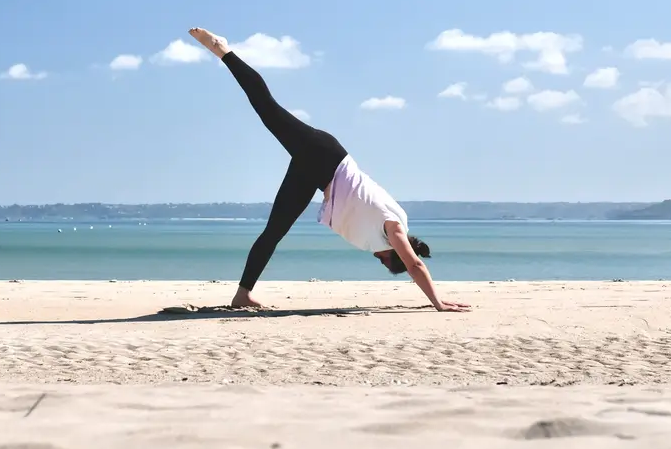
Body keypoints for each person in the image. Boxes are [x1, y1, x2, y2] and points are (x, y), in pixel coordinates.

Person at [188, 28, 470, 312]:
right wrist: (437, 302)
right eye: (384, 260)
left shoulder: (386, 232)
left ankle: (242, 294)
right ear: (394, 254)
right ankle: (222, 50)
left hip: (318, 175)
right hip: (324, 156)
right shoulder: (394, 228)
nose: (378, 258)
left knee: (274, 231)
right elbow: (414, 263)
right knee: (268, 110)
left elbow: (408, 260)